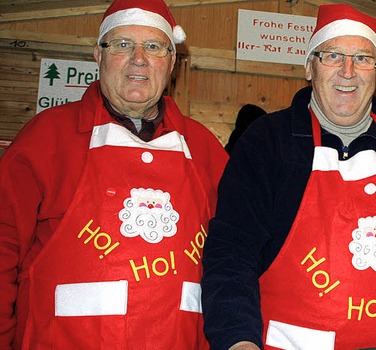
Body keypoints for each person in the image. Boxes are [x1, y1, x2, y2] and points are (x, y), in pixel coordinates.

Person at [201, 4, 376, 350]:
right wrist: (237, 339)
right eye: (332, 55)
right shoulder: (266, 142)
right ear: (309, 68)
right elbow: (231, 252)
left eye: (362, 58)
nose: (348, 71)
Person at [0, 0, 228, 348]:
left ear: (171, 63)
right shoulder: (46, 138)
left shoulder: (205, 148)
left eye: (154, 46)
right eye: (122, 44)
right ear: (98, 55)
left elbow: (234, 257)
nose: (139, 57)